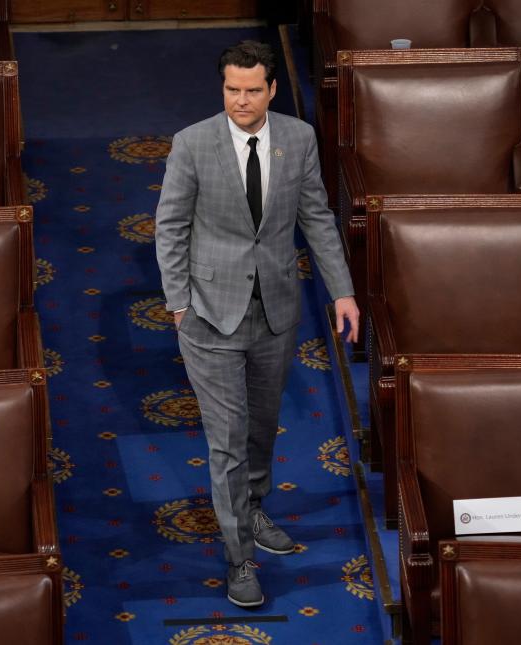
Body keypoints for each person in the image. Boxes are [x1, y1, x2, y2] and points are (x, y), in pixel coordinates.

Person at [154, 40, 359, 608]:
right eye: (230, 89)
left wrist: (341, 290)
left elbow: (316, 216)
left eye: (251, 90)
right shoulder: (192, 144)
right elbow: (169, 228)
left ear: (272, 90)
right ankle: (239, 555)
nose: (240, 101)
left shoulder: (298, 137)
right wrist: (178, 304)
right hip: (207, 315)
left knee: (261, 428)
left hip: (276, 309)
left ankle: (254, 507)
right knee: (227, 444)